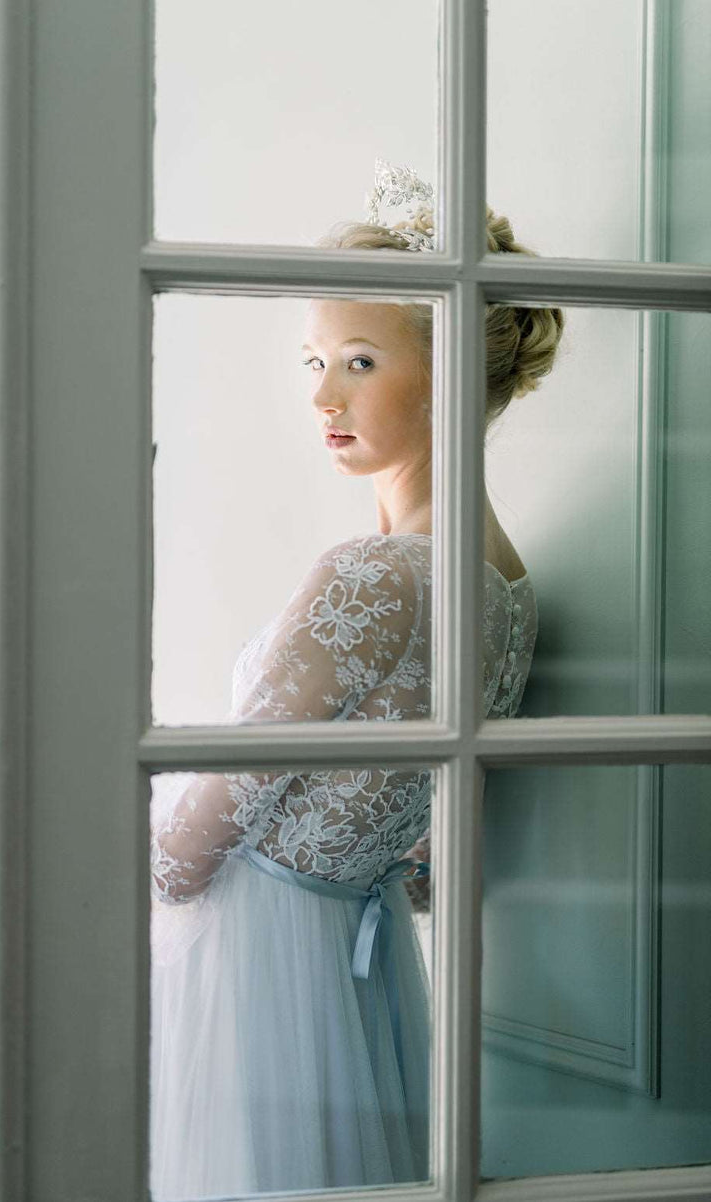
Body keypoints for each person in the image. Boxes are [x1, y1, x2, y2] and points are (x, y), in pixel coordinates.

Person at [148, 159, 565, 1201]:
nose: (321, 396)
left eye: (358, 361)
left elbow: (188, 842)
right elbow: (421, 855)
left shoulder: (372, 577)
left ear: (454, 362)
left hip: (252, 972)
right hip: (343, 974)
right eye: (312, 361)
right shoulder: (505, 586)